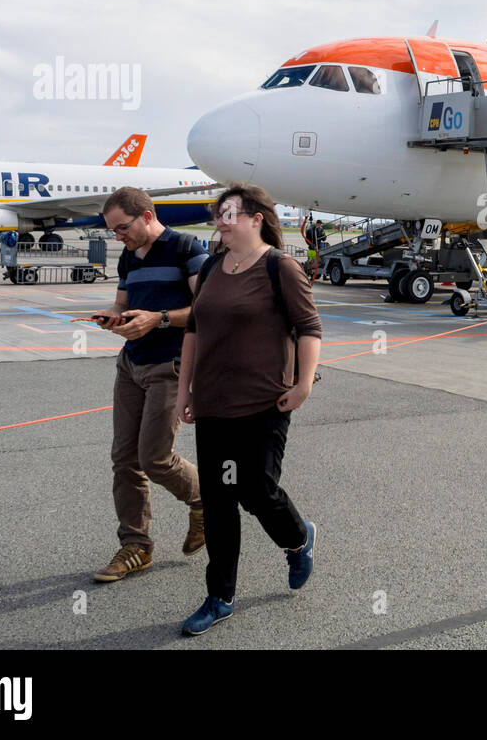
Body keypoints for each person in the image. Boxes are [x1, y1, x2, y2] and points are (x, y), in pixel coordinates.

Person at [176, 184, 324, 635]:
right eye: (217, 214)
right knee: (220, 503)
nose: (220, 221)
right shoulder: (213, 267)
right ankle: (220, 597)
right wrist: (185, 391)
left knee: (256, 490)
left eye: (229, 214)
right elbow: (194, 331)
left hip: (264, 403)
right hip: (214, 404)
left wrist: (302, 385)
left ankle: (298, 540)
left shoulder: (281, 267)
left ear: (256, 218)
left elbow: (309, 327)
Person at [92, 187, 209, 583]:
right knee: (124, 458)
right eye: (111, 231)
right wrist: (112, 316)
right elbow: (122, 303)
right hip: (131, 364)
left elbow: (207, 310)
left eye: (121, 228)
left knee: (154, 458)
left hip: (171, 365)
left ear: (145, 216)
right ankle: (136, 546)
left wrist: (158, 319)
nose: (117, 237)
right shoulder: (128, 256)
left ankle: (203, 500)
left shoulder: (187, 248)